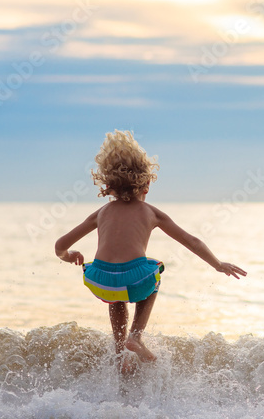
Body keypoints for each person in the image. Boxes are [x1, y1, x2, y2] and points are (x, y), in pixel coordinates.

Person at [55, 130, 246, 373]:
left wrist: (69, 256)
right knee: (154, 270)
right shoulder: (151, 212)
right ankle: (135, 336)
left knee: (117, 296)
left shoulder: (100, 213)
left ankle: (120, 352)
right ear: (146, 183)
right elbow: (192, 241)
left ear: (108, 185)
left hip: (99, 280)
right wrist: (218, 264)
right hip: (134, 278)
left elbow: (60, 245)